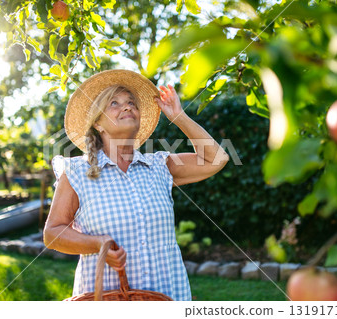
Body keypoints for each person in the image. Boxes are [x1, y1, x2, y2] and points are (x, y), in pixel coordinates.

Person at [43, 69, 229, 301]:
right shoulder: (77, 172)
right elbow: (53, 234)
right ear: (98, 124)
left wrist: (179, 116)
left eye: (131, 102)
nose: (127, 106)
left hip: (167, 297)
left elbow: (217, 159)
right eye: (114, 103)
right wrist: (97, 244)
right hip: (107, 301)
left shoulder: (159, 166)